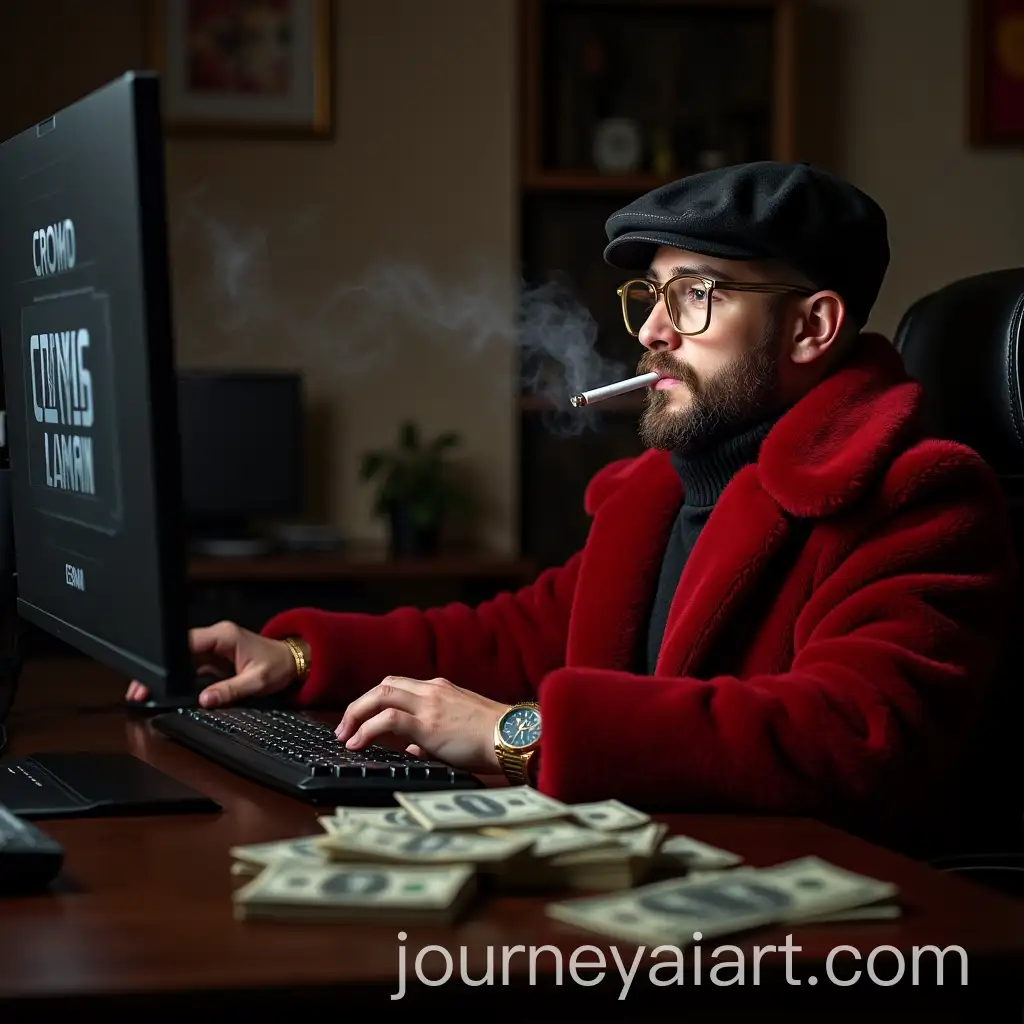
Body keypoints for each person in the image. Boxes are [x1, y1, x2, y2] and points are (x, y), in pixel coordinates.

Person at [128, 161, 1017, 850]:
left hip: (811, 937)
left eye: (695, 295)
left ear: (812, 328)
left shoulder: (920, 496)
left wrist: (522, 733)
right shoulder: (662, 496)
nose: (651, 331)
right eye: (653, 296)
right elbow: (516, 635)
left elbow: (848, 734)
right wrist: (294, 655)